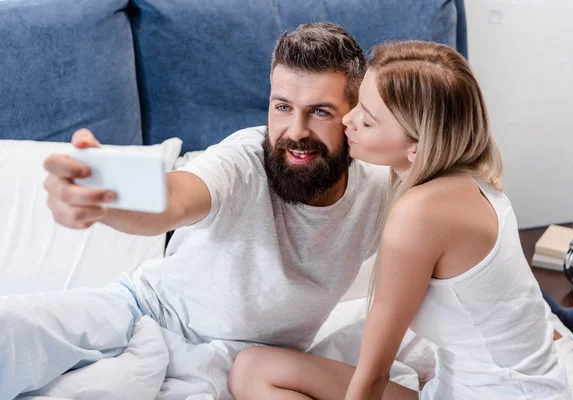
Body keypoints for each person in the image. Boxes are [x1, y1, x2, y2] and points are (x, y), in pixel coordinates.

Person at [0, 23, 391, 399]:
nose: (296, 130)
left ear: (354, 117)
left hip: (242, 366)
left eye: (320, 112)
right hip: (140, 313)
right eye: (283, 106)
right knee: (11, 329)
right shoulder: (242, 161)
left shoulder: (379, 192)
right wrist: (105, 195)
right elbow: (174, 199)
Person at [228, 41, 573, 400]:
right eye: (358, 104)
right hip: (504, 388)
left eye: (367, 118)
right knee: (253, 367)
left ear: (416, 146)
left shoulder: (419, 214)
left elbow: (372, 378)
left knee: (254, 374)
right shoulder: (472, 179)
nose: (348, 119)